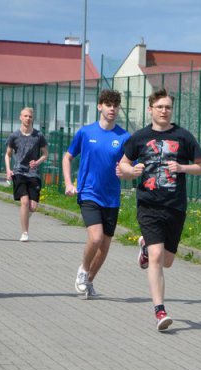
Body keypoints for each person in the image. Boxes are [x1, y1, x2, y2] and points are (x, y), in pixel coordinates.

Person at [119, 88, 201, 331]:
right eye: (159, 106)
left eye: (167, 107)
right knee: (158, 258)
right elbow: (123, 166)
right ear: (150, 109)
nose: (164, 111)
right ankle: (160, 311)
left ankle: (144, 248)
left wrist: (182, 168)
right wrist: (131, 172)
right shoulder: (139, 137)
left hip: (175, 206)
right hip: (148, 205)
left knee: (167, 261)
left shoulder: (184, 137)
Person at [62, 90, 130, 299]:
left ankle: (89, 281)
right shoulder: (86, 133)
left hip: (111, 197)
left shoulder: (124, 137)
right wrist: (68, 183)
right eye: (108, 104)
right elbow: (67, 157)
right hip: (88, 193)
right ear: (99, 106)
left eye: (115, 105)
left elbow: (128, 168)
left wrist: (125, 171)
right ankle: (83, 270)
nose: (112, 109)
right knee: (96, 237)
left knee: (105, 245)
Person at [4, 107, 48, 242]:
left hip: (33, 174)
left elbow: (45, 154)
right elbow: (8, 154)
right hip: (19, 172)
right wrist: (8, 170)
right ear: (20, 117)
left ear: (32, 118)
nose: (28, 118)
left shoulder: (38, 135)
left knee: (32, 207)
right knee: (24, 202)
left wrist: (38, 162)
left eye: (30, 116)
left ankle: (25, 217)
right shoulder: (14, 136)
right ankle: (25, 232)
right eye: (25, 116)